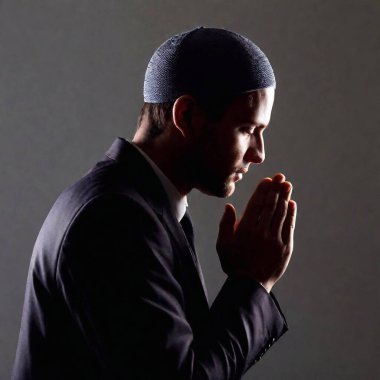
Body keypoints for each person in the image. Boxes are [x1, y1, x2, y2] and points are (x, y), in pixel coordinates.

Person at [12, 26, 297, 380]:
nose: (259, 154)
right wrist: (255, 281)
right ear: (187, 116)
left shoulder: (141, 205)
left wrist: (243, 280)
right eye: (247, 130)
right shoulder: (114, 220)